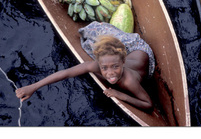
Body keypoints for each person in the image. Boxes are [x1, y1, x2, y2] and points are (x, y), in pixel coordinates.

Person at [15, 22, 155, 110]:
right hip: (123, 55)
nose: (110, 73)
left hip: (138, 49)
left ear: (123, 62)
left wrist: (120, 95)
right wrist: (33, 87)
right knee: (89, 37)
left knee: (97, 29)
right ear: (98, 64)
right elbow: (66, 73)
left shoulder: (129, 81)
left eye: (115, 67)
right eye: (104, 68)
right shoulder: (98, 65)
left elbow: (148, 104)